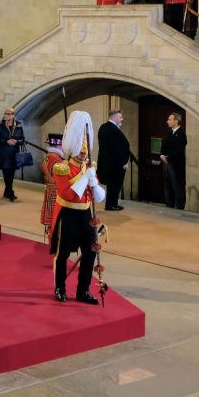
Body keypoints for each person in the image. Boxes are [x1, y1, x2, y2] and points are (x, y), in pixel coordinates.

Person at [49, 111, 106, 304]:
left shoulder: (88, 167)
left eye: (85, 151)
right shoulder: (62, 167)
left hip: (86, 214)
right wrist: (85, 178)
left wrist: (94, 182)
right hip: (68, 213)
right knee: (63, 253)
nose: (83, 154)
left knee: (90, 251)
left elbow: (99, 197)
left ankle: (83, 290)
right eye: (81, 151)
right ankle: (60, 288)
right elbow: (69, 194)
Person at [96, 110, 133, 211]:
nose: (122, 119)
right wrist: (124, 162)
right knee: (115, 185)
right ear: (114, 117)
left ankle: (111, 203)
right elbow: (117, 149)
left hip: (107, 162)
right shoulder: (113, 129)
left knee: (112, 185)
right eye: (120, 117)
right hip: (115, 164)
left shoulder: (103, 127)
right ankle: (111, 205)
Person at [0, 108, 25, 202]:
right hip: (4, 153)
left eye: (10, 114)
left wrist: (16, 141)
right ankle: (11, 192)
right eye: (6, 114)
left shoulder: (18, 125)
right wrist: (6, 141)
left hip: (14, 153)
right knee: (6, 173)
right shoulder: (0, 125)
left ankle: (7, 191)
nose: (8, 116)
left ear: (14, 115)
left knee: (11, 173)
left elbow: (22, 139)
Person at [161, 112, 187, 209]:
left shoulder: (181, 134)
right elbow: (163, 145)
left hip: (175, 165)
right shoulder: (169, 133)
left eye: (170, 119)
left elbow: (179, 149)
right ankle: (169, 206)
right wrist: (162, 155)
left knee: (177, 187)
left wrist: (168, 157)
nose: (167, 121)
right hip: (166, 163)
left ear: (176, 121)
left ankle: (179, 208)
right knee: (167, 187)